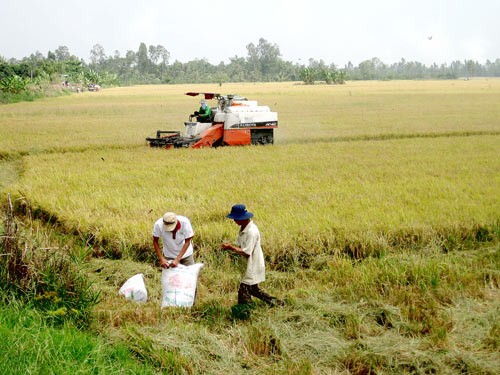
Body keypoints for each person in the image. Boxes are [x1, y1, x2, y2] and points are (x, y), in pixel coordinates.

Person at [222, 204, 284, 307]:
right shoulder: (243, 228)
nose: (234, 221)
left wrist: (231, 248)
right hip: (247, 265)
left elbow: (247, 252)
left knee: (243, 291)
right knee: (254, 290)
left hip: (252, 266)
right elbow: (240, 246)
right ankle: (277, 303)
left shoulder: (251, 232)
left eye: (235, 218)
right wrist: (232, 249)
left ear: (242, 218)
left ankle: (245, 312)